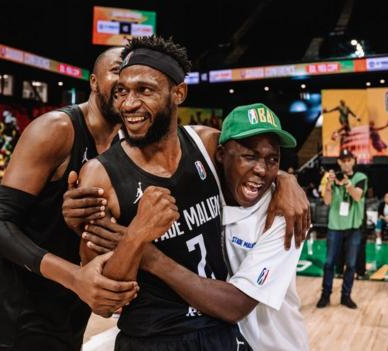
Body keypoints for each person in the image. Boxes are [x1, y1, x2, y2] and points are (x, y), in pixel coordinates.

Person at [70, 37, 309, 351]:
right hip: (153, 337)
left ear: (178, 93)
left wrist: (286, 181)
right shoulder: (99, 176)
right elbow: (102, 301)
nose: (128, 104)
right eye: (122, 91)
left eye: (144, 90)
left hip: (219, 329)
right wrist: (136, 236)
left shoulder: (205, 144)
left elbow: (247, 158)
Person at [0, 48, 140, 351]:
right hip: (11, 313)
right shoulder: (56, 129)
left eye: (134, 74)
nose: (126, 81)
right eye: (118, 70)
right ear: (94, 81)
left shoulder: (126, 150)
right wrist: (74, 277)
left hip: (69, 314)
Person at [317, 148, 367, 309]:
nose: (346, 163)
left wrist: (347, 183)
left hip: (353, 227)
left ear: (354, 161)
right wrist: (330, 184)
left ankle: (346, 296)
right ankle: (325, 295)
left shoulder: (360, 177)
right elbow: (326, 201)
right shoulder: (330, 177)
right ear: (339, 162)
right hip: (335, 226)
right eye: (343, 160)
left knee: (351, 264)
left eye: (349, 160)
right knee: (329, 263)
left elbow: (357, 196)